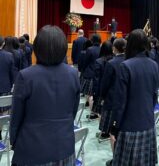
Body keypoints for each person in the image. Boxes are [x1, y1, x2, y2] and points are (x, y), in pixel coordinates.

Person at [10, 25, 80, 165]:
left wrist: (13, 141)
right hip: (65, 147)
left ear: (38, 47)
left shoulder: (26, 76)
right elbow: (73, 110)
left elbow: (16, 117)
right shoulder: (73, 74)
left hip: (32, 148)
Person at [110, 29, 159, 166]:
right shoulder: (154, 65)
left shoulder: (126, 66)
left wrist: (114, 126)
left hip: (129, 124)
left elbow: (120, 102)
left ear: (130, 44)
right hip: (148, 121)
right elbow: (155, 95)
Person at [100, 38, 126, 162]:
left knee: (113, 132)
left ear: (114, 48)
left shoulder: (111, 63)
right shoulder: (129, 60)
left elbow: (105, 84)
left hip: (112, 100)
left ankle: (116, 159)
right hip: (125, 101)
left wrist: (102, 97)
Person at [81, 34, 101, 119]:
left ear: (92, 40)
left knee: (89, 95)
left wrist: (82, 70)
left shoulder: (89, 49)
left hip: (89, 74)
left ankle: (92, 113)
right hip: (98, 74)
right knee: (95, 95)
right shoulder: (101, 49)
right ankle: (96, 112)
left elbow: (85, 61)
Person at [0, 36, 15, 140]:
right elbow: (12, 73)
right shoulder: (9, 56)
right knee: (3, 113)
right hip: (5, 87)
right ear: (3, 43)